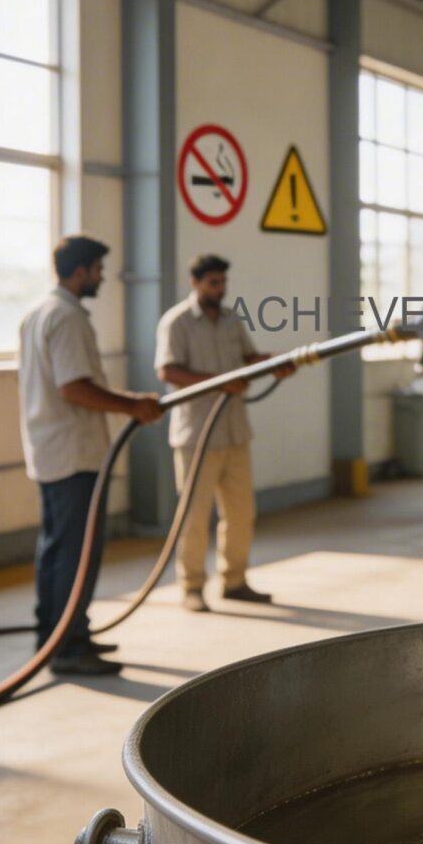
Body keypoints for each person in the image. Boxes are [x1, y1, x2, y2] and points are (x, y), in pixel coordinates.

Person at [18, 236, 164, 677]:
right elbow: (74, 387)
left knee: (57, 549)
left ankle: (57, 636)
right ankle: (68, 648)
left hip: (51, 450)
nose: (103, 276)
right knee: (75, 553)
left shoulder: (38, 311)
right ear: (80, 270)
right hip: (73, 453)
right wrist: (132, 404)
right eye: (99, 268)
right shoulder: (65, 317)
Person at [156, 254, 285, 612]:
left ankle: (235, 581)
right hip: (196, 436)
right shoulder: (177, 323)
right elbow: (167, 371)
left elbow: (248, 358)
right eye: (213, 282)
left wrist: (276, 364)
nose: (220, 288)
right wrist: (218, 384)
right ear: (194, 282)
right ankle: (192, 587)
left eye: (222, 282)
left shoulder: (231, 320)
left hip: (235, 432)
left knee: (241, 513)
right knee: (195, 517)